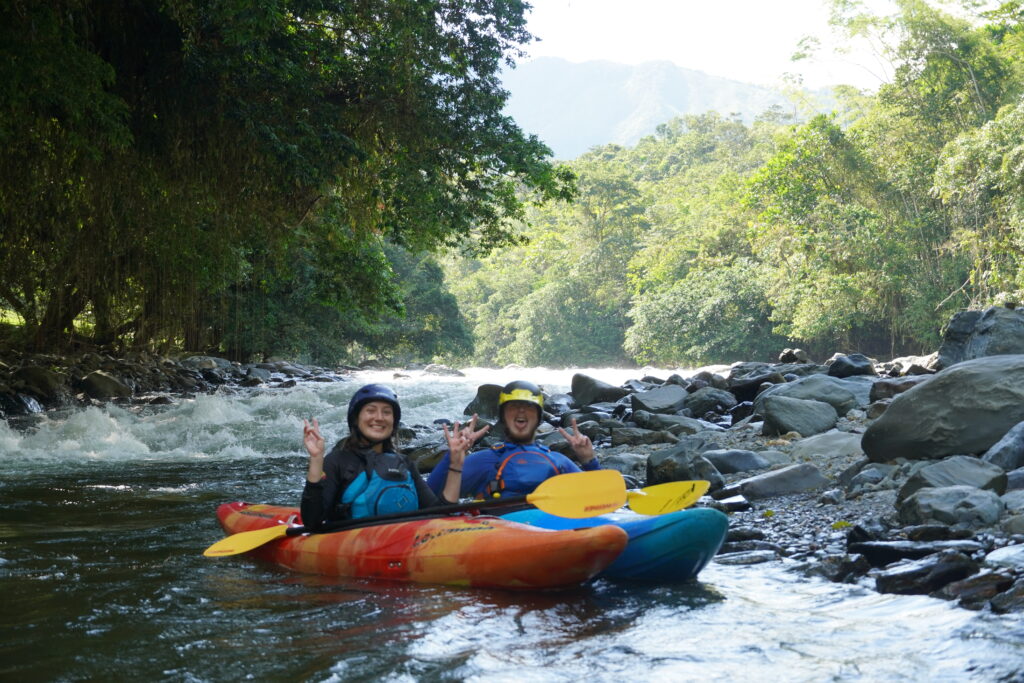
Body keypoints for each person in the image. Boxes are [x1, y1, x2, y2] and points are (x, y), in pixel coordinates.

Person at [300, 383, 480, 530]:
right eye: (371, 410)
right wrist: (316, 459)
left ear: (393, 422)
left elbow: (441, 513)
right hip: (355, 550)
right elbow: (312, 522)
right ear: (356, 419)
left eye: (386, 412)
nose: (379, 418)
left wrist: (455, 463)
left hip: (400, 547)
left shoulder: (403, 463)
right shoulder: (338, 461)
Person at [426, 380, 600, 499]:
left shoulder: (558, 462)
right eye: (514, 407)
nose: (521, 412)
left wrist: (589, 461)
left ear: (539, 417)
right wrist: (453, 456)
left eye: (528, 407)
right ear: (503, 416)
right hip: (499, 539)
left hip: (550, 535)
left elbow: (597, 499)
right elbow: (431, 496)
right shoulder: (485, 461)